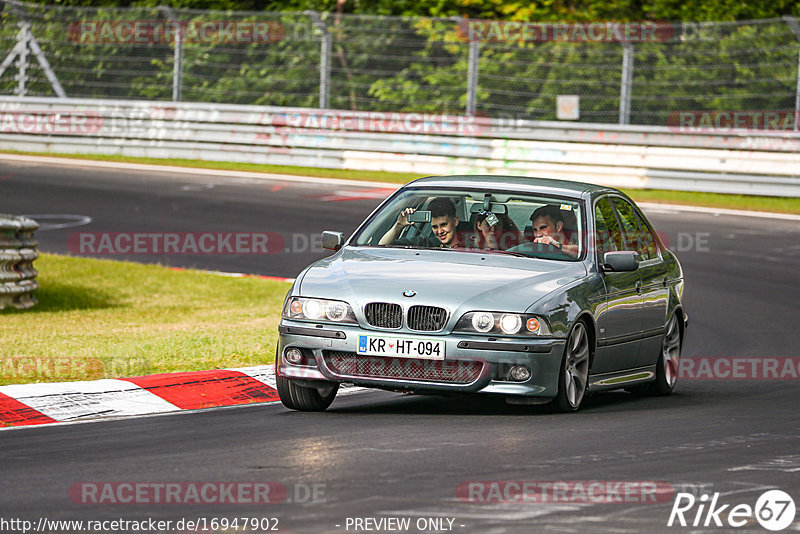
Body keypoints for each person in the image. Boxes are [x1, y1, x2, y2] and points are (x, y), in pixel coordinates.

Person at [379, 197, 465, 248]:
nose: (440, 231)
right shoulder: (425, 244)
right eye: (435, 227)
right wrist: (399, 225)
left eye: (443, 225)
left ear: (455, 221)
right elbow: (382, 246)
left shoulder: (473, 243)